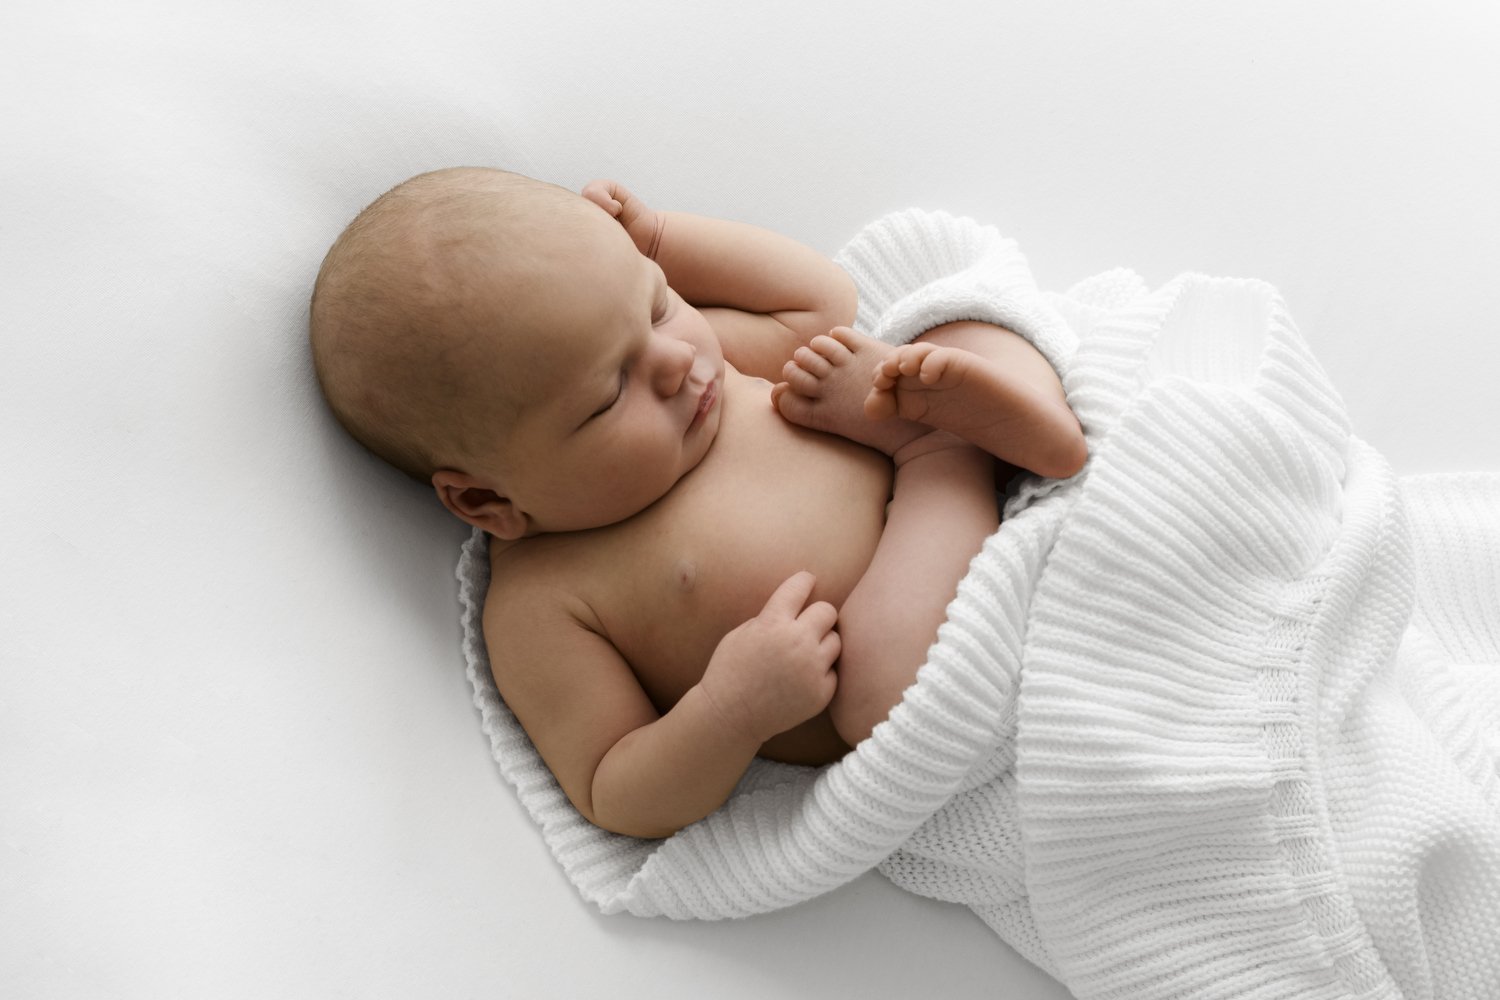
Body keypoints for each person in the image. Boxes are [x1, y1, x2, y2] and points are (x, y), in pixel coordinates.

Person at [308, 167, 1085, 838]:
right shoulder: (544, 604)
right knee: (878, 696)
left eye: (655, 305)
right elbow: (612, 785)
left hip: (1025, 524)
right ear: (485, 498)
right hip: (924, 629)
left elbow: (821, 299)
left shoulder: (706, 367)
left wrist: (659, 243)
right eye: (610, 393)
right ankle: (947, 455)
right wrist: (731, 708)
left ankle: (1014, 427)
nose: (678, 361)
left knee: (955, 324)